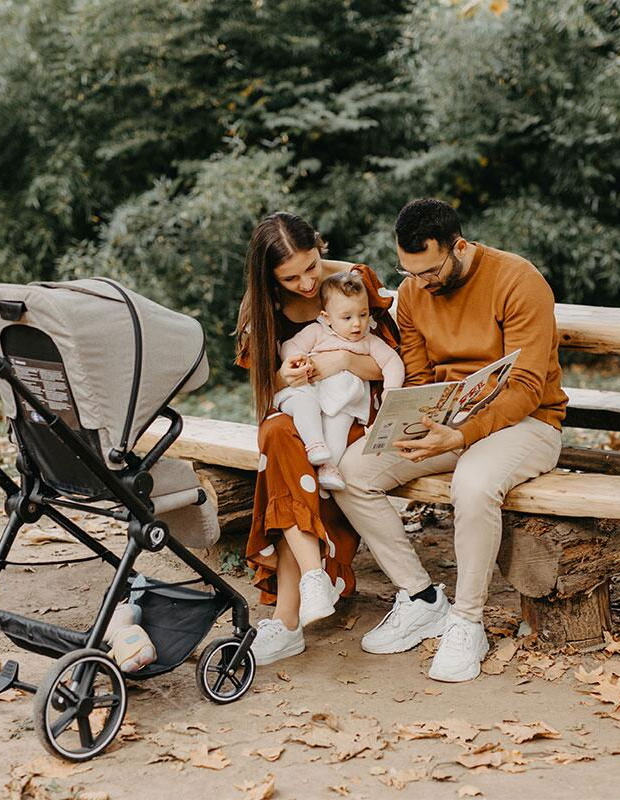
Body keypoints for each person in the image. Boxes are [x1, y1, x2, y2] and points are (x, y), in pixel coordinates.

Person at [334, 198, 568, 682]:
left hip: (528, 424)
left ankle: (467, 621)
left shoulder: (518, 280)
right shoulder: (412, 291)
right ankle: (422, 599)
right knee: (351, 472)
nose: (420, 282)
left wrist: (460, 435)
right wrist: (414, 424)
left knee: (474, 483)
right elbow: (420, 377)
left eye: (430, 271)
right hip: (449, 422)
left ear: (459, 247)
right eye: (408, 271)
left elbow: (526, 387)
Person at [234, 211, 400, 665]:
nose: (306, 283)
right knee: (280, 436)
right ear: (269, 276)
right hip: (302, 418)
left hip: (353, 413)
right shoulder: (262, 308)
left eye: (311, 266)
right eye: (290, 278)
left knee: (285, 453)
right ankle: (312, 578)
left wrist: (342, 362)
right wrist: (286, 376)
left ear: (319, 247)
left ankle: (288, 617)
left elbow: (389, 363)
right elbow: (266, 385)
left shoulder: (352, 282)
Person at [274, 271, 405, 491]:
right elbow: (290, 346)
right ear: (327, 317)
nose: (357, 324)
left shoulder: (368, 341)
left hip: (343, 402)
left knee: (338, 429)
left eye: (363, 314)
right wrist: (297, 359)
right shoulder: (317, 332)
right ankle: (314, 444)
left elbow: (392, 362)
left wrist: (390, 391)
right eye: (347, 318)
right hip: (310, 389)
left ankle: (328, 466)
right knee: (305, 405)